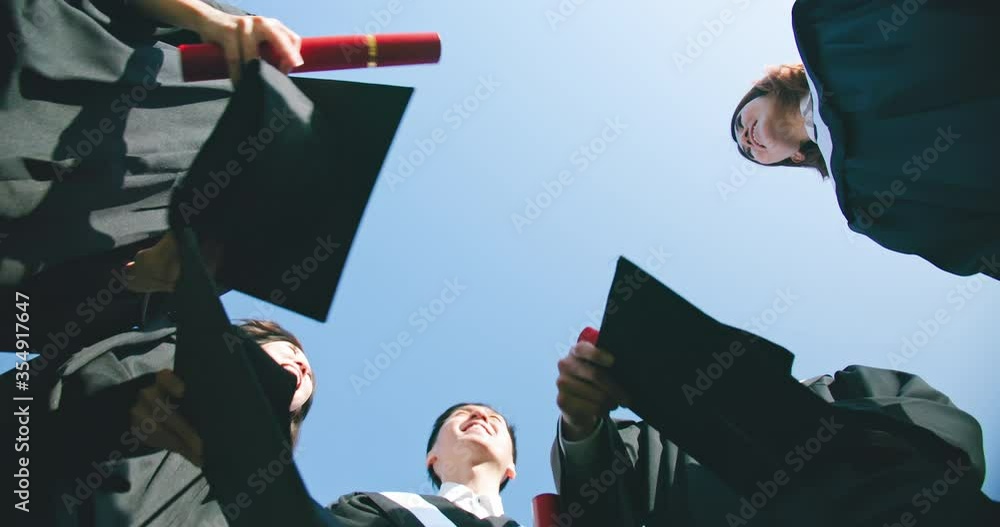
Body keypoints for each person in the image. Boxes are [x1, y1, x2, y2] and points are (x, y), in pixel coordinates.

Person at [0, 0, 303, 352]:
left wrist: (130, 278)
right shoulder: (253, 60)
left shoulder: (211, 258)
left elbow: (42, 319)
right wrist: (209, 18)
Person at [550, 338, 997, 526]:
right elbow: (598, 511)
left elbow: (945, 431)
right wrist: (581, 423)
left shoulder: (843, 387)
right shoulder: (649, 444)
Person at [730, 1, 1000, 280]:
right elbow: (968, 241)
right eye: (748, 152)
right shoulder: (865, 203)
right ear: (793, 158)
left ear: (764, 90)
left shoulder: (825, 26)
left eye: (739, 123)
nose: (745, 140)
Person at [3, 317, 315, 526]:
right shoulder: (177, 348)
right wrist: (115, 412)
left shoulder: (257, 490)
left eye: (309, 376)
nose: (302, 365)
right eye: (292, 350)